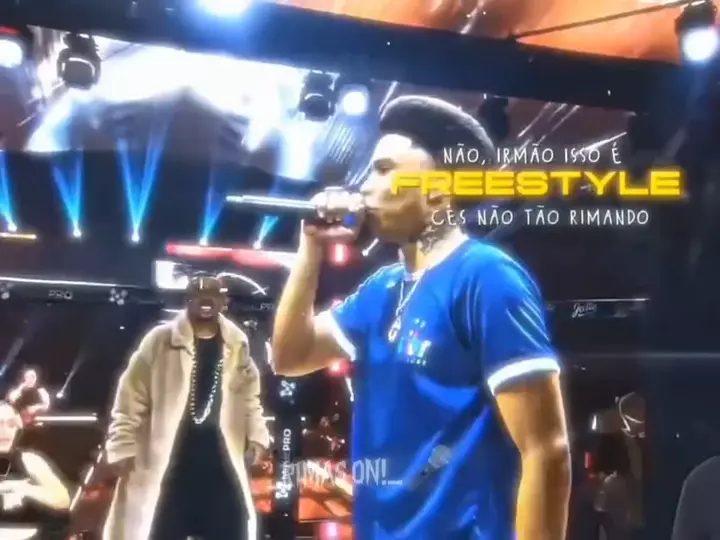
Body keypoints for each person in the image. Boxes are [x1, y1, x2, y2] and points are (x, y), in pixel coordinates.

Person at [272, 96, 571, 539]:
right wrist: (310, 249)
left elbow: (547, 450)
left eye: (383, 170)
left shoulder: (486, 278)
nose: (364, 187)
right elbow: (289, 357)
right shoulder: (381, 289)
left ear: (438, 190)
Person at [103, 274, 270, 540]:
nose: (206, 303)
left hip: (220, 463)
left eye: (212, 297)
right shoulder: (159, 341)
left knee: (234, 528)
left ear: (223, 302)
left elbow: (250, 398)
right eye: (199, 297)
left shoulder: (237, 344)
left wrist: (258, 437)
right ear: (188, 300)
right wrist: (122, 445)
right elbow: (131, 398)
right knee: (155, 529)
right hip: (169, 462)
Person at [0, 401, 72, 538]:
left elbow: (63, 499)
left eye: (11, 424)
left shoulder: (29, 459)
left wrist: (23, 488)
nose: (4, 431)